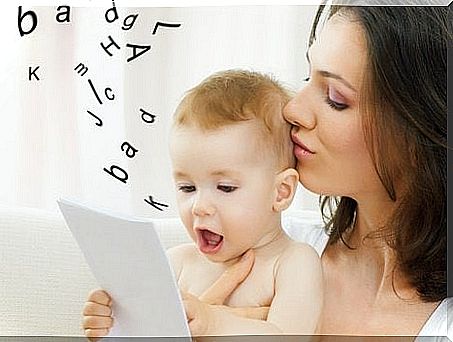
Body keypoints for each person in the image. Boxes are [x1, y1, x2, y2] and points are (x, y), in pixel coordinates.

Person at [180, 4, 450, 338]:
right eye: (308, 77)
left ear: (422, 131)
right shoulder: (255, 242)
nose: (294, 109)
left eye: (336, 98)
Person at [82, 70, 323, 338]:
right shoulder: (176, 264)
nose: (199, 206)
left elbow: (289, 336)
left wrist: (215, 323)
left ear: (281, 192)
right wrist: (115, 325)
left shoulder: (293, 263)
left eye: (225, 187)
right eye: (187, 187)